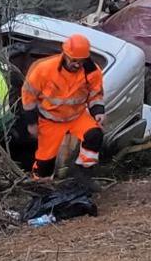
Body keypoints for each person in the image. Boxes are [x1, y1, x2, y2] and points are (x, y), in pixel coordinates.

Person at [21, 33, 105, 181]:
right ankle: (41, 186)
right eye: (74, 60)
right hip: (50, 120)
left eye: (81, 61)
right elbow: (28, 96)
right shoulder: (44, 69)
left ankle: (83, 175)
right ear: (65, 55)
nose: (77, 64)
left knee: (94, 135)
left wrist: (98, 111)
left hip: (76, 117)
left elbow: (96, 94)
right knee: (44, 163)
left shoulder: (92, 71)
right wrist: (31, 122)